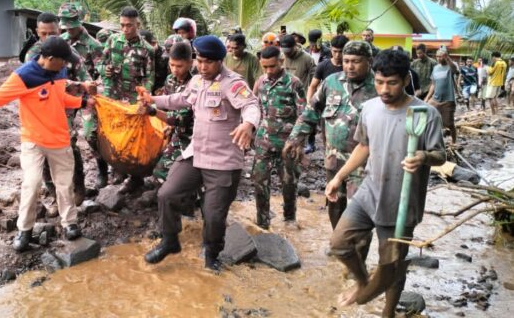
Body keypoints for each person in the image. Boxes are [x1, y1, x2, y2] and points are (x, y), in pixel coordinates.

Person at [0, 36, 96, 251]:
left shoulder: (59, 71)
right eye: (63, 61)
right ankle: (24, 231)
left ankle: (70, 223)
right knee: (31, 184)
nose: (66, 65)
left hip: (60, 139)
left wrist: (81, 102)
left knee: (64, 185)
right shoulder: (24, 76)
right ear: (51, 58)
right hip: (33, 140)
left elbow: (59, 98)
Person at [327, 49, 446, 318]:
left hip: (401, 201)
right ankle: (363, 282)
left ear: (405, 80)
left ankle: (388, 312)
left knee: (391, 263)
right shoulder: (369, 108)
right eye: (379, 82)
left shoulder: (425, 114)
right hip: (369, 191)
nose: (384, 89)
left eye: (391, 82)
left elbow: (441, 156)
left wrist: (423, 156)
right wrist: (339, 176)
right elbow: (364, 146)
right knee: (339, 243)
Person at [138, 35, 260, 272]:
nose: (202, 67)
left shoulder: (233, 83)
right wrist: (152, 98)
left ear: (220, 60)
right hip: (197, 154)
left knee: (214, 216)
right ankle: (170, 241)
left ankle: (212, 254)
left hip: (224, 161)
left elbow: (251, 105)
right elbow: (180, 99)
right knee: (166, 194)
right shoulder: (196, 81)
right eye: (199, 61)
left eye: (208, 62)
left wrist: (248, 125)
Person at [285, 40, 377, 229]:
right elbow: (310, 111)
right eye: (346, 60)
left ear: (369, 61)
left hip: (365, 163)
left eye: (356, 61)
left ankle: (355, 251)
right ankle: (338, 242)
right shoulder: (332, 82)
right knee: (335, 203)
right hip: (334, 158)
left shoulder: (379, 87)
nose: (349, 66)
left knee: (361, 210)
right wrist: (295, 139)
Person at [24, 12, 91, 210]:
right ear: (37, 32)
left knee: (69, 143)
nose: (48, 37)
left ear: (59, 31)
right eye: (43, 33)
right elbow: (32, 84)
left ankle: (78, 187)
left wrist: (87, 86)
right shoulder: (32, 55)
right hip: (42, 109)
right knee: (43, 150)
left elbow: (84, 76)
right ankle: (54, 194)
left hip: (66, 106)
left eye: (52, 33)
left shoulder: (70, 53)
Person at [98, 6, 156, 191]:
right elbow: (101, 63)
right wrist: (104, 70)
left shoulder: (146, 49)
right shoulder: (113, 41)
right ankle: (114, 171)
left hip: (132, 100)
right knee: (110, 133)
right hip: (113, 97)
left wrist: (144, 97)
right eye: (122, 25)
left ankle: (134, 177)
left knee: (132, 138)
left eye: (129, 25)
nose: (125, 29)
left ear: (137, 24)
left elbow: (150, 77)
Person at [251, 46, 306, 228]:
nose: (268, 71)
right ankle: (262, 222)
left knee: (289, 182)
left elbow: (303, 115)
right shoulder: (260, 82)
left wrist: (298, 142)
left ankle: (289, 218)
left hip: (287, 143)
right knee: (259, 182)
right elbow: (254, 106)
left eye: (272, 66)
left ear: (281, 62)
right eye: (264, 67)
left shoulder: (294, 83)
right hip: (263, 141)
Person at [149, 41, 195, 187]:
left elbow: (180, 118)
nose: (174, 70)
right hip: (176, 133)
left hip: (194, 137)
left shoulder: (196, 83)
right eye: (171, 65)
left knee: (184, 176)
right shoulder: (170, 80)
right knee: (159, 172)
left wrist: (152, 111)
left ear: (190, 63)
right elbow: (169, 107)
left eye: (179, 66)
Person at [58, 3, 104, 81]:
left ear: (79, 22)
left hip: (83, 90)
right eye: (66, 27)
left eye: (72, 27)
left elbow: (102, 75)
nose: (69, 29)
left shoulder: (94, 46)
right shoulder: (60, 40)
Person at [425, 48, 459, 144]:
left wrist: (447, 58)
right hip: (435, 99)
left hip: (448, 100)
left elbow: (454, 70)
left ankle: (454, 141)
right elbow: (433, 84)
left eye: (441, 56)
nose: (439, 58)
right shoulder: (435, 68)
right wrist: (427, 98)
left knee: (449, 123)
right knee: (429, 118)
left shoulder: (450, 66)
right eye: (437, 56)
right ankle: (430, 141)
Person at [307, 35, 348, 102]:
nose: (337, 55)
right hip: (327, 103)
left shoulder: (350, 67)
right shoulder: (322, 66)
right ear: (331, 49)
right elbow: (313, 86)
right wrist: (309, 104)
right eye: (335, 51)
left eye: (340, 52)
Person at [140, 29, 169, 94]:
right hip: (144, 90)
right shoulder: (140, 54)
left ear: (153, 43)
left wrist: (163, 89)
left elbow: (172, 77)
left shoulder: (165, 56)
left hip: (161, 92)